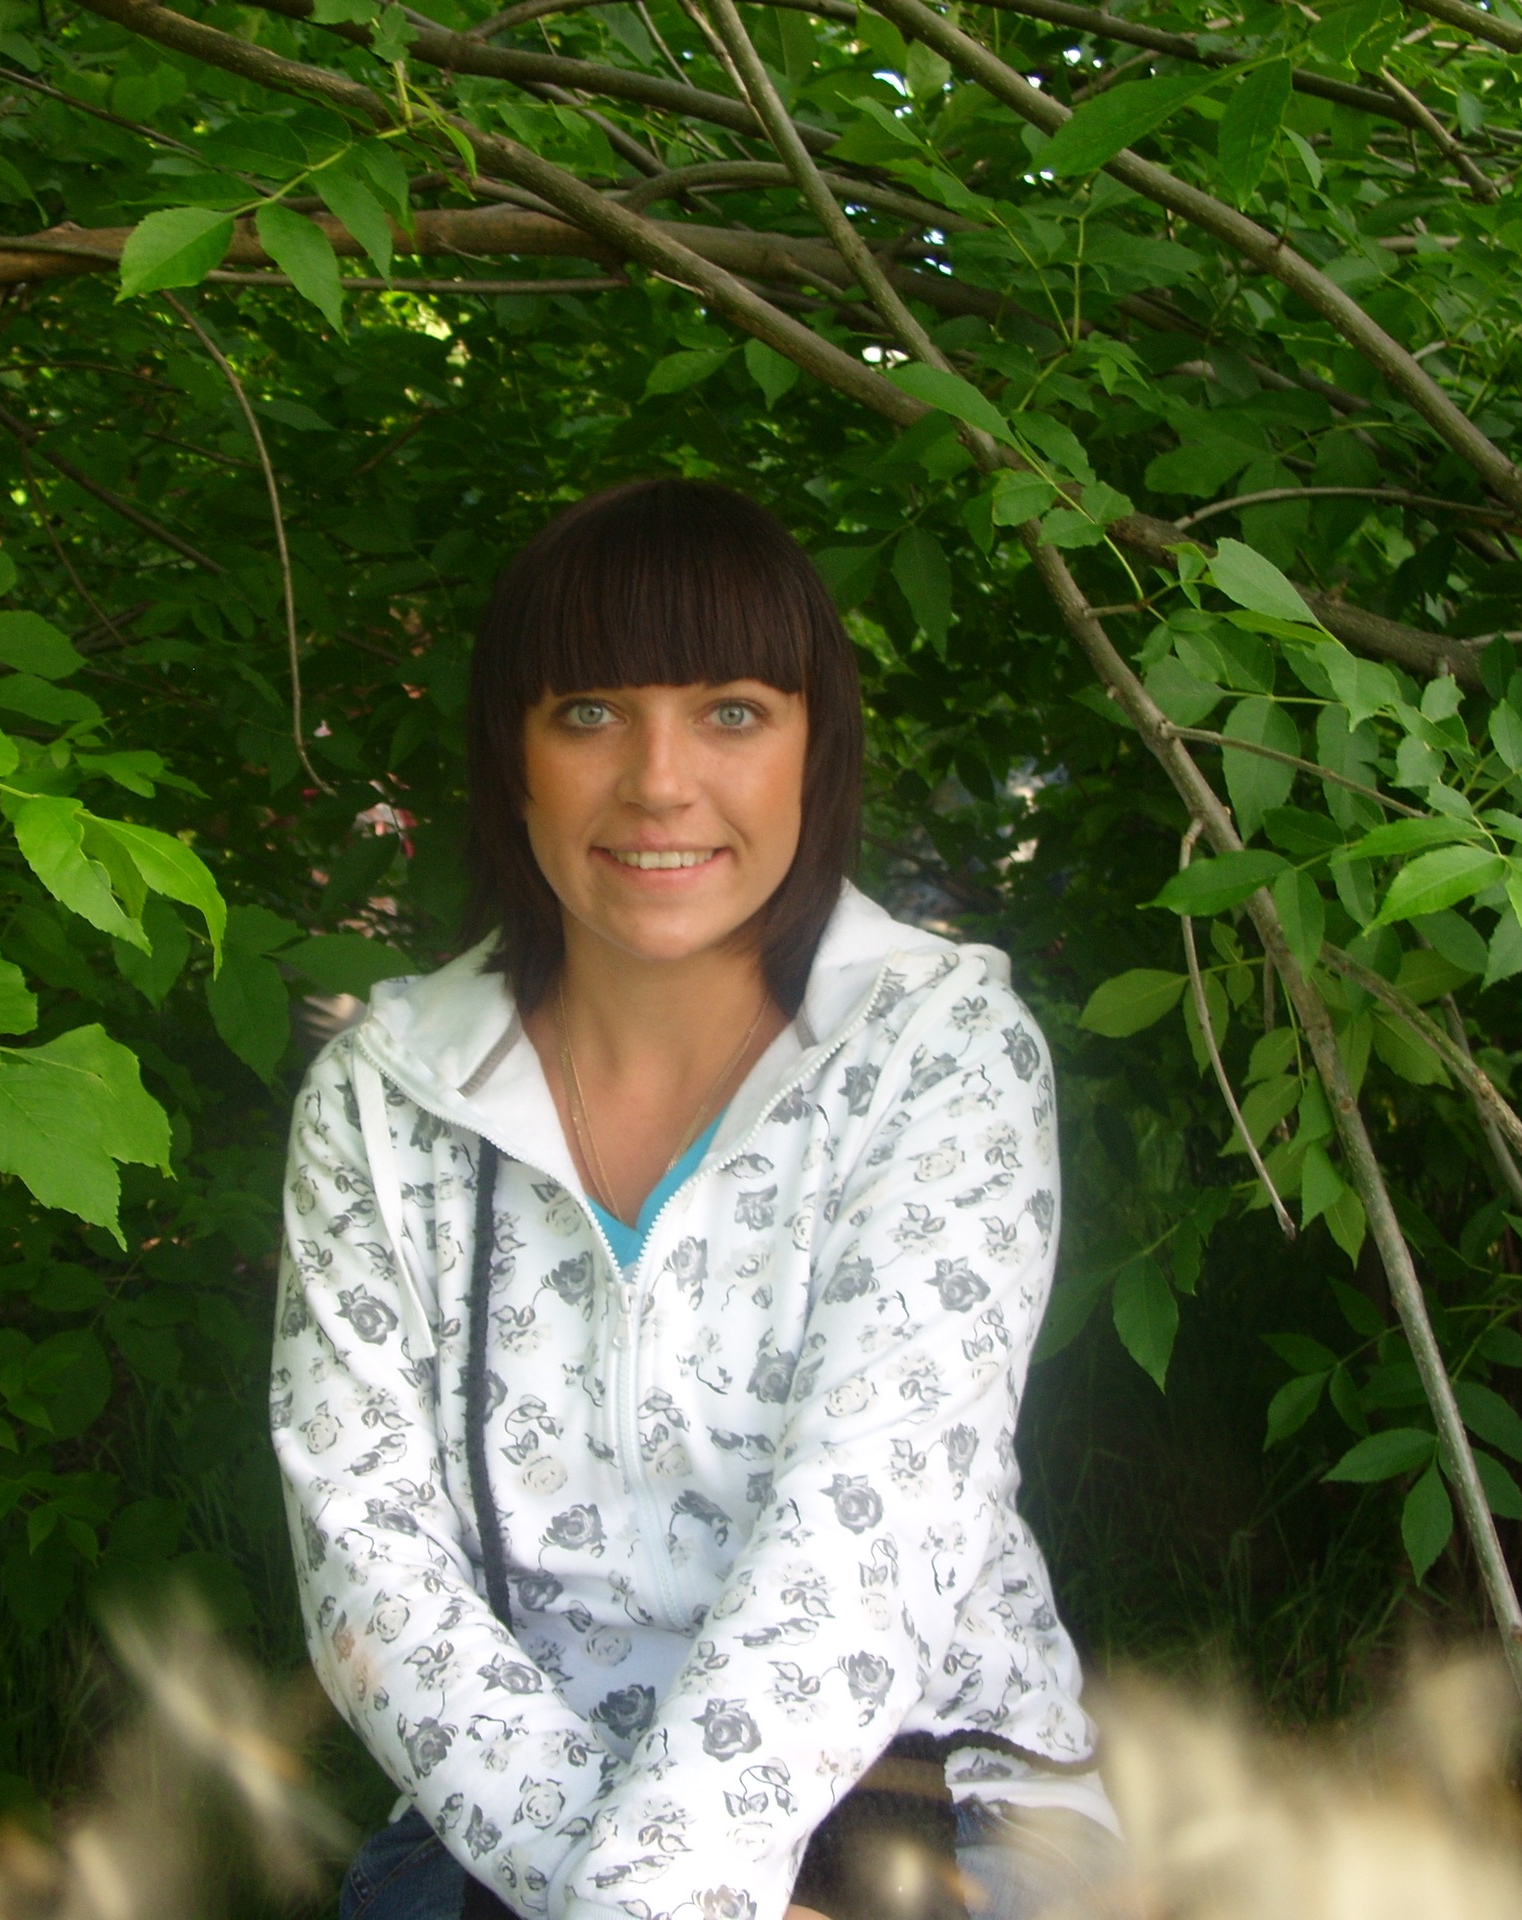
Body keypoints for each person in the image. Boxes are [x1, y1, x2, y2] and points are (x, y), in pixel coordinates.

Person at [271, 479, 1115, 1920]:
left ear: (814, 750)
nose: (659, 782)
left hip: (926, 1779)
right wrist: (612, 1888)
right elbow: (369, 1568)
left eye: (731, 711)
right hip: (513, 1806)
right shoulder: (384, 1098)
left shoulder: (937, 1053)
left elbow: (868, 1547)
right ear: (513, 756)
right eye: (590, 712)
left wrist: (661, 1893)